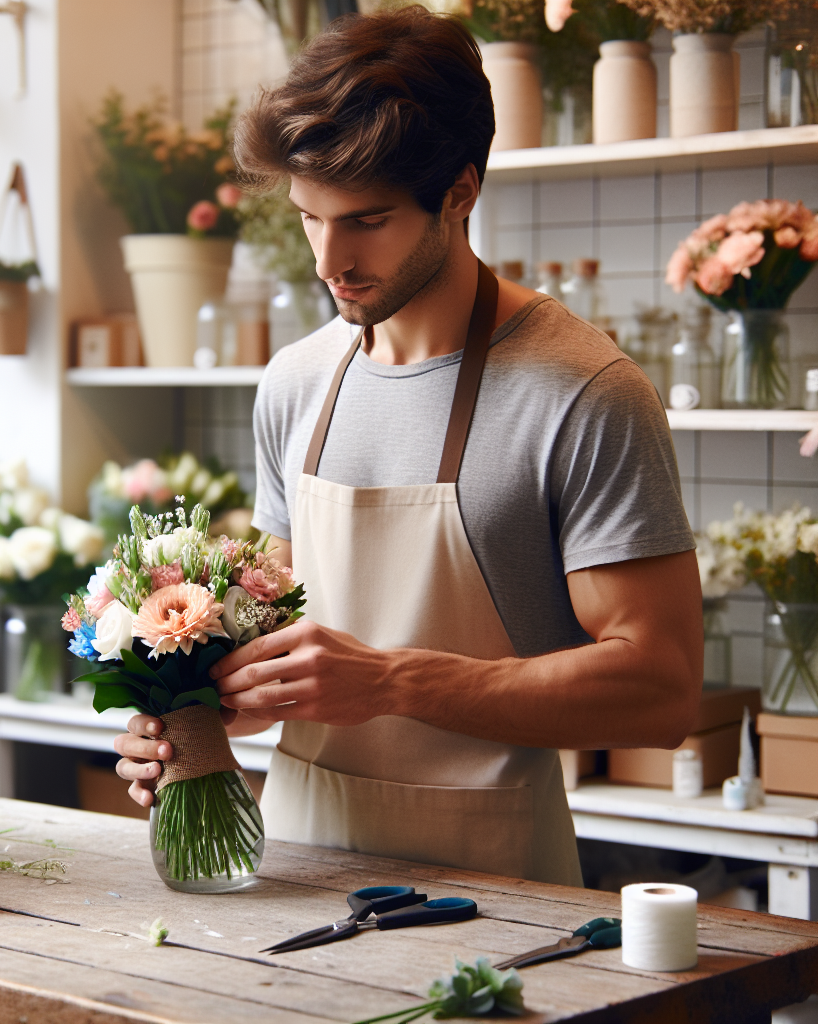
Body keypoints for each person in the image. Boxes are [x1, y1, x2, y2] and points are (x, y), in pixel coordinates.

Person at [114, 5, 702, 885]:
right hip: (299, 874)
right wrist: (197, 716)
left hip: (498, 892)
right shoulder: (295, 384)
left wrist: (395, 683)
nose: (329, 261)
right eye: (311, 219)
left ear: (460, 193)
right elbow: (281, 651)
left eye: (367, 220)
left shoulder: (582, 391)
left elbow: (662, 689)